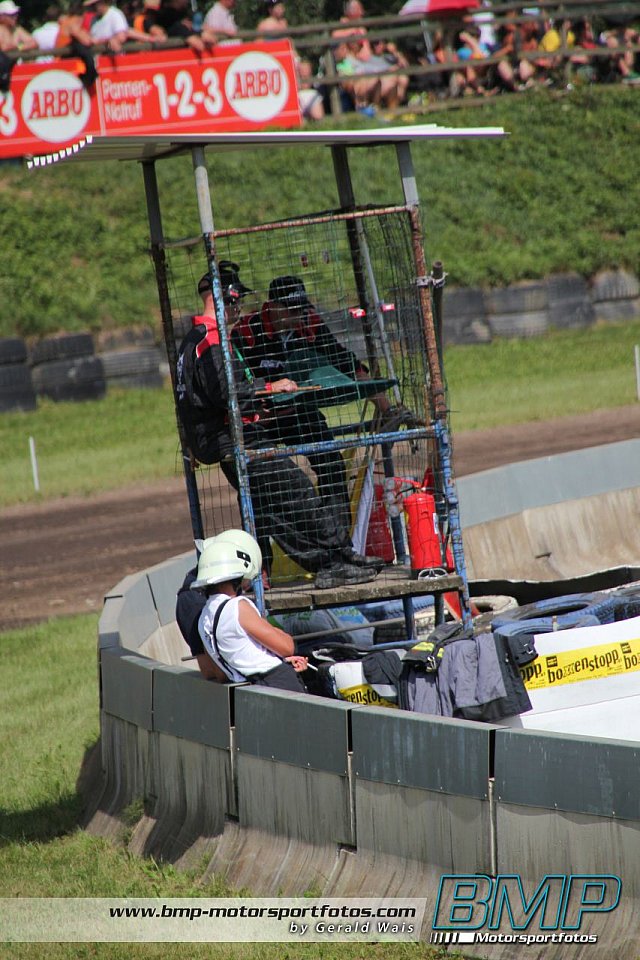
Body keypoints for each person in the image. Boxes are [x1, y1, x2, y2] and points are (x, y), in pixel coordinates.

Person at [175, 266, 381, 589]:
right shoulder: (211, 341)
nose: (240, 307)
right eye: (237, 301)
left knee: (274, 505)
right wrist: (271, 388)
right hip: (233, 439)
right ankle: (336, 557)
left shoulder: (197, 339)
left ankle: (334, 561)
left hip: (227, 438)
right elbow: (228, 394)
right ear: (225, 299)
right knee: (295, 489)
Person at [232, 274, 391, 539]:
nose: (299, 315)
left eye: (301, 308)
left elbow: (346, 362)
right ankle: (262, 559)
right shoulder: (244, 333)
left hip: (299, 412)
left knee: (332, 463)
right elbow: (235, 385)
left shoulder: (310, 322)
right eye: (292, 310)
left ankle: (339, 545)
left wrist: (387, 408)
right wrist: (266, 393)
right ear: (272, 307)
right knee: (262, 484)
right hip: (260, 419)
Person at [191, 533, 309, 691]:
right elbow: (287, 647)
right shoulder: (237, 606)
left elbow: (221, 673)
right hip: (279, 682)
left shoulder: (203, 618)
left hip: (249, 688)